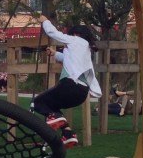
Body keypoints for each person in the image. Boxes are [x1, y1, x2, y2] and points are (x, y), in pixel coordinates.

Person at [30, 16, 102, 149]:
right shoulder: (86, 49)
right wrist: (54, 53)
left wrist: (45, 21)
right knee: (53, 108)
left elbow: (54, 33)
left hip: (69, 86)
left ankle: (58, 122)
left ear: (74, 34)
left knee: (38, 102)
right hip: (81, 94)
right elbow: (68, 58)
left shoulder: (75, 40)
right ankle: (68, 133)